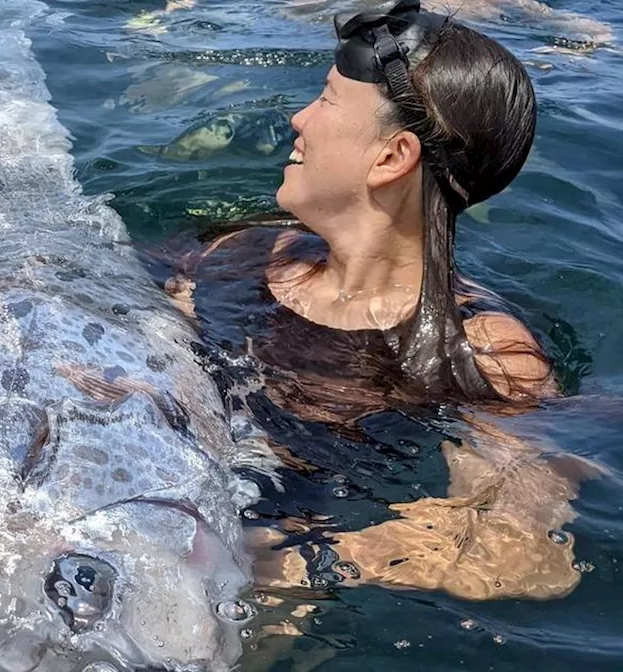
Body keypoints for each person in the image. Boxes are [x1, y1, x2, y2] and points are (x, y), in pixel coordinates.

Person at [154, 0, 598, 604]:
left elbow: (518, 554)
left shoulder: (483, 351)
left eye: (326, 100)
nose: (298, 118)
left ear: (392, 158)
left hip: (271, 569)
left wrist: (291, 565)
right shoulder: (241, 253)